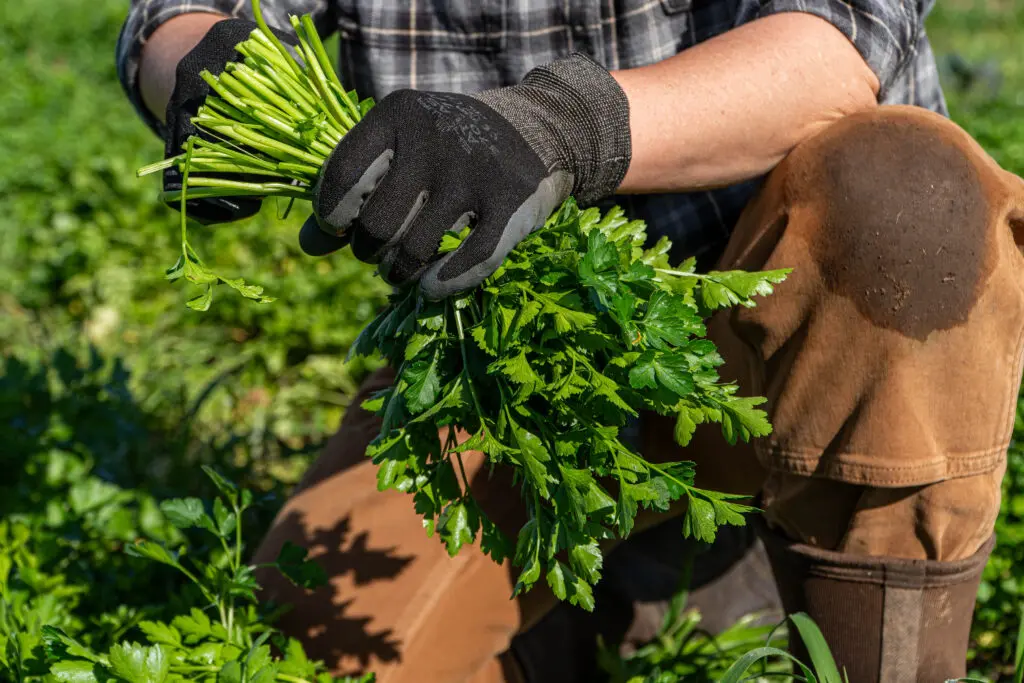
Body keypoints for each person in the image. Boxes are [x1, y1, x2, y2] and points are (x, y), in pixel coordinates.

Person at [116, 1, 1024, 681]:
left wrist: (556, 127)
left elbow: (835, 44)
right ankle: (611, 601)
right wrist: (205, 65)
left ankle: (870, 618)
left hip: (770, 325)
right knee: (323, 651)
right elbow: (172, 16)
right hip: (500, 358)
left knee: (904, 195)